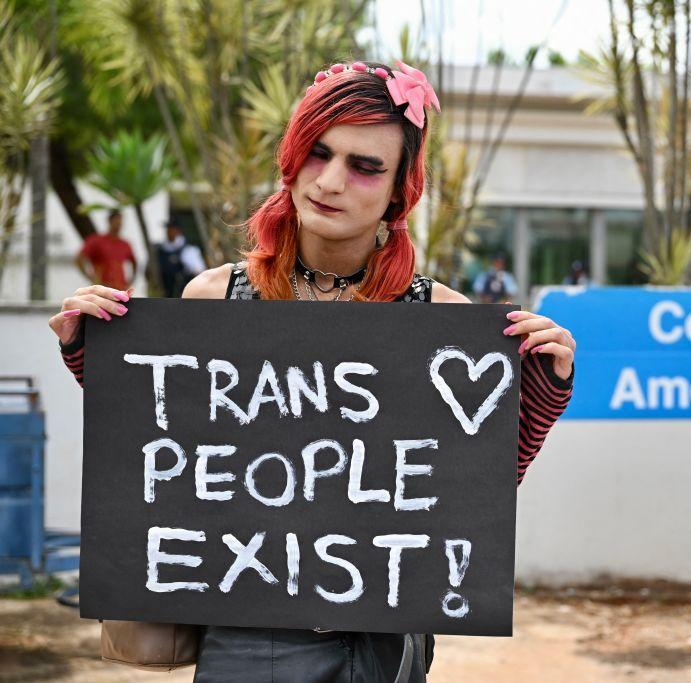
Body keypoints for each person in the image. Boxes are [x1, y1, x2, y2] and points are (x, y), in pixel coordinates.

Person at [48, 60, 575, 682]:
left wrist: (543, 388)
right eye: (318, 152)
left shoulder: (440, 318)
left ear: (399, 190)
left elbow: (463, 493)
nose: (330, 181)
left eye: (365, 165)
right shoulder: (215, 299)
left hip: (384, 638)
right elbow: (172, 457)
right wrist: (98, 353)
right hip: (248, 635)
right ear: (292, 157)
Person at [75, 209, 136, 290]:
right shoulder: (96, 241)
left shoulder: (125, 244)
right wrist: (91, 278)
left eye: (120, 221)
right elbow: (79, 259)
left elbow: (134, 263)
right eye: (116, 220)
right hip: (101, 289)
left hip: (120, 290)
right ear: (109, 221)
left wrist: (130, 282)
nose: (119, 224)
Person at [156, 220, 207, 297]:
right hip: (164, 295)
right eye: (168, 229)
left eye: (171, 229)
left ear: (178, 231)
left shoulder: (188, 250)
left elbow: (199, 272)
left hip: (181, 296)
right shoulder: (161, 250)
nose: (168, 232)